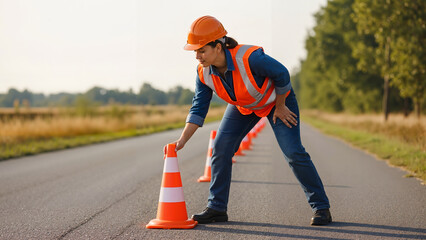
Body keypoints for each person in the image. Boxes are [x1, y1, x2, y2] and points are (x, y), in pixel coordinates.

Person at [169, 15, 332, 226]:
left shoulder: (249, 58)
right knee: (220, 148)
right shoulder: (203, 73)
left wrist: (281, 106)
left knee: (293, 152)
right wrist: (182, 140)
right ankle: (217, 208)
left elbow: (282, 74)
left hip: (277, 103)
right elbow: (199, 107)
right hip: (245, 106)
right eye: (195, 51)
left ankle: (321, 208)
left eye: (201, 50)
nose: (197, 56)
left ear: (218, 47)